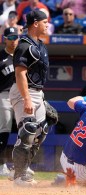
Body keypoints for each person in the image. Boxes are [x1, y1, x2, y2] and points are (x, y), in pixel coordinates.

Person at [9, 10, 53, 186]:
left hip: (37, 92)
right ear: (35, 23)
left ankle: (23, 166)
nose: (47, 24)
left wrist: (39, 97)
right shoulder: (24, 45)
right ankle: (19, 176)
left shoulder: (41, 45)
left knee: (41, 131)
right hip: (23, 92)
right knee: (28, 130)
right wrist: (27, 98)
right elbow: (20, 74)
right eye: (45, 22)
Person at [0, 27, 18, 176]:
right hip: (4, 95)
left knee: (26, 129)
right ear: (4, 39)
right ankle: (1, 165)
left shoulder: (23, 55)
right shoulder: (1, 57)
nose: (13, 40)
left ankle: (22, 166)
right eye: (10, 37)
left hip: (20, 96)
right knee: (4, 128)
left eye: (15, 37)